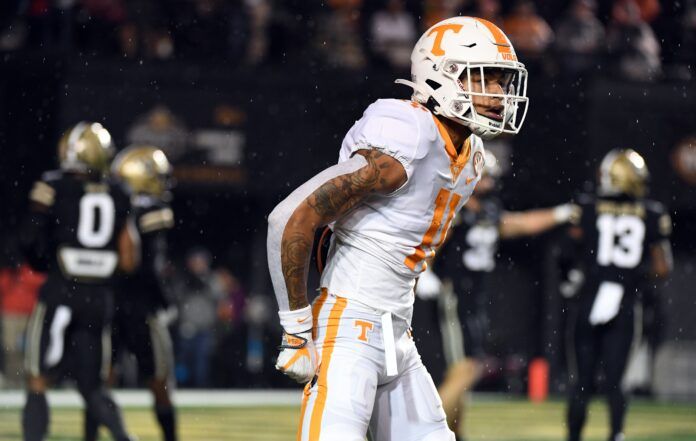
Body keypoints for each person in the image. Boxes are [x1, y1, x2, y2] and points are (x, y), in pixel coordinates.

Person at [267, 16, 529, 441]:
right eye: (486, 79)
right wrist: (296, 328)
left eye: (503, 81)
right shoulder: (407, 135)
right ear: (442, 78)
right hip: (347, 329)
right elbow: (289, 218)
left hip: (397, 334)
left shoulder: (472, 155)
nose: (499, 94)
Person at [412, 150, 580, 440]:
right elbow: (431, 241)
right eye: (485, 177)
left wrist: (559, 213)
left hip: (475, 297)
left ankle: (454, 433)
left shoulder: (487, 212)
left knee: (461, 372)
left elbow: (521, 223)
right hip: (455, 295)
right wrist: (425, 272)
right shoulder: (456, 210)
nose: (490, 183)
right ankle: (422, 429)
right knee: (469, 368)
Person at [19, 122, 137, 441]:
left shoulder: (53, 185)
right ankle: (125, 438)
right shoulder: (120, 191)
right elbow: (129, 258)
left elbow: (29, 238)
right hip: (98, 299)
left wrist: (44, 262)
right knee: (92, 385)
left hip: (60, 293)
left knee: (39, 377)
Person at [564, 149, 672, 441]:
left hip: (590, 299)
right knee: (616, 380)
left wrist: (576, 275)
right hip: (625, 302)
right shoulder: (653, 212)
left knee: (582, 381)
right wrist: (635, 276)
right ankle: (616, 434)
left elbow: (567, 250)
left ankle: (574, 436)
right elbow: (662, 267)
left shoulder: (586, 207)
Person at [84, 145, 178, 441]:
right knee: (159, 382)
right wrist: (164, 301)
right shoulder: (154, 212)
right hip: (141, 308)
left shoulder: (107, 203)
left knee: (101, 382)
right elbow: (149, 268)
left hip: (107, 302)